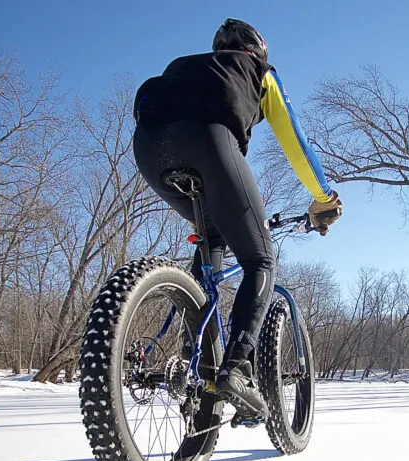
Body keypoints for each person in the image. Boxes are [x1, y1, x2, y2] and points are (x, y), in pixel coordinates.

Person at [132, 18, 343, 418]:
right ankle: (235, 368)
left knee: (210, 244)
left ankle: (193, 371)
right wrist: (323, 198)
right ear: (258, 51)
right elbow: (294, 140)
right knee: (259, 259)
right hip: (208, 142)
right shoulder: (258, 73)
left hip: (148, 150)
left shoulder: (186, 67)